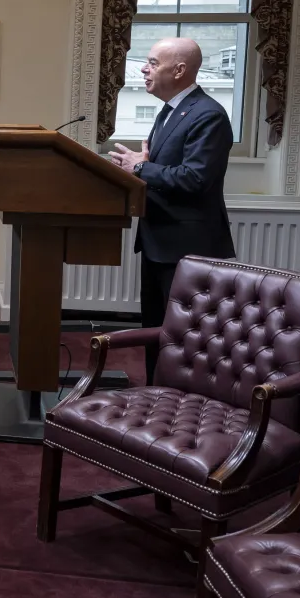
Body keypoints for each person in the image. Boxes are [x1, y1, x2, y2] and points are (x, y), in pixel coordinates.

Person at [107, 37, 235, 379]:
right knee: (157, 330)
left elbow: (196, 179)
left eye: (152, 62)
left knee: (184, 338)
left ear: (179, 70)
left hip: (187, 247)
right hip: (159, 242)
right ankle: (155, 395)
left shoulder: (208, 115)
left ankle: (181, 407)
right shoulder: (170, 110)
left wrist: (140, 167)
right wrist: (144, 167)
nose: (145, 69)